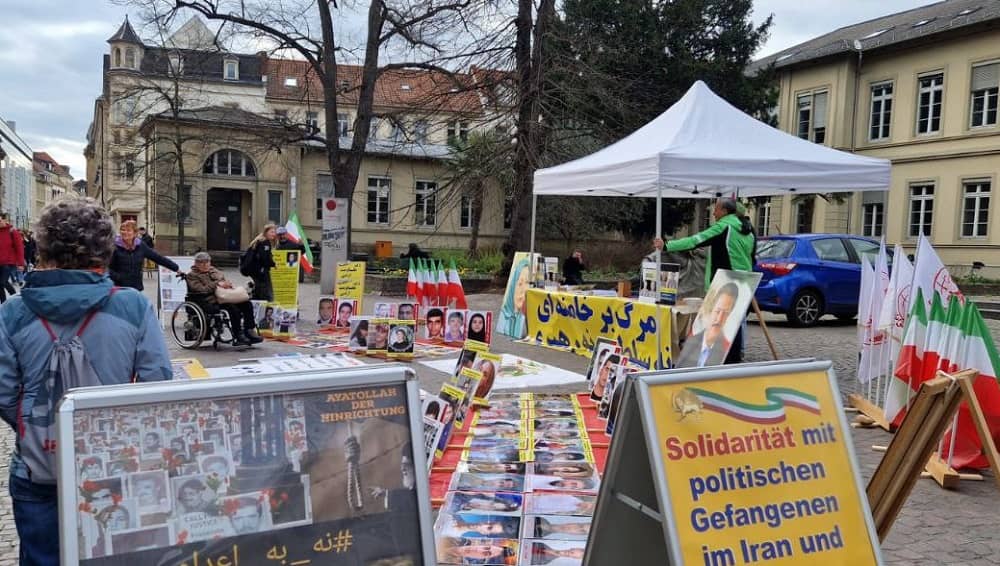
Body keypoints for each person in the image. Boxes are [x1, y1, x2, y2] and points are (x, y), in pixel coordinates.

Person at [0, 196, 172, 566]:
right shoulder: (132, 306)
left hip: (37, 469)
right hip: (115, 468)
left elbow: (3, 391)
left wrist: (36, 421)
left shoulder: (13, 311)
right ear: (104, 249)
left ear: (44, 247)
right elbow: (157, 383)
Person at [654, 197, 754, 363]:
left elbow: (696, 240)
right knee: (734, 324)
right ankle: (734, 360)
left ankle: (717, 361)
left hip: (725, 281)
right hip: (745, 281)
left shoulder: (723, 227)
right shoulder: (748, 231)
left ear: (724, 211)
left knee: (718, 323)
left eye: (716, 209)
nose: (713, 213)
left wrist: (667, 245)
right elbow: (751, 255)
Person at [184, 252, 263, 346]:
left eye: (207, 262)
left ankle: (249, 330)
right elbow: (202, 290)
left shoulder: (215, 271)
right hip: (207, 300)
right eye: (202, 262)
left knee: (246, 303)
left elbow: (224, 282)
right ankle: (238, 334)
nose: (205, 264)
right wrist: (217, 284)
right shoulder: (191, 275)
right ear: (196, 264)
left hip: (223, 297)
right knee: (232, 308)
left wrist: (227, 285)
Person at [674, 282, 739, 368]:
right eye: (717, 311)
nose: (719, 319)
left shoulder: (728, 350)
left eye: (726, 313)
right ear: (710, 309)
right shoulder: (691, 342)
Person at [108, 220, 182, 291]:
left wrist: (176, 268)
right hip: (118, 289)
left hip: (136, 288)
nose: (124, 232)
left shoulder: (140, 245)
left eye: (128, 230)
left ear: (135, 233)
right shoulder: (114, 246)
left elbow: (157, 258)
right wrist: (118, 277)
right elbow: (105, 267)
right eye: (123, 230)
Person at [497, 256, 531, 337]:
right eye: (520, 284)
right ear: (513, 286)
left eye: (527, 283)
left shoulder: (520, 316)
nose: (523, 290)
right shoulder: (505, 315)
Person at [247, 224, 278, 301]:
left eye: (274, 232)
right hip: (261, 272)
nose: (274, 234)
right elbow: (265, 258)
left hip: (255, 271)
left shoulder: (259, 240)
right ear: (266, 232)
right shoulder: (265, 242)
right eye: (272, 232)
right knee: (266, 293)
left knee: (259, 291)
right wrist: (273, 264)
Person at [0, 212, 25, 303]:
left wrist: (21, 263)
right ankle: (3, 304)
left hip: (8, 262)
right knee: (1, 284)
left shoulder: (12, 231)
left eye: (0, 220)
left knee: (2, 283)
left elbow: (20, 248)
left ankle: (16, 299)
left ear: (4, 220)